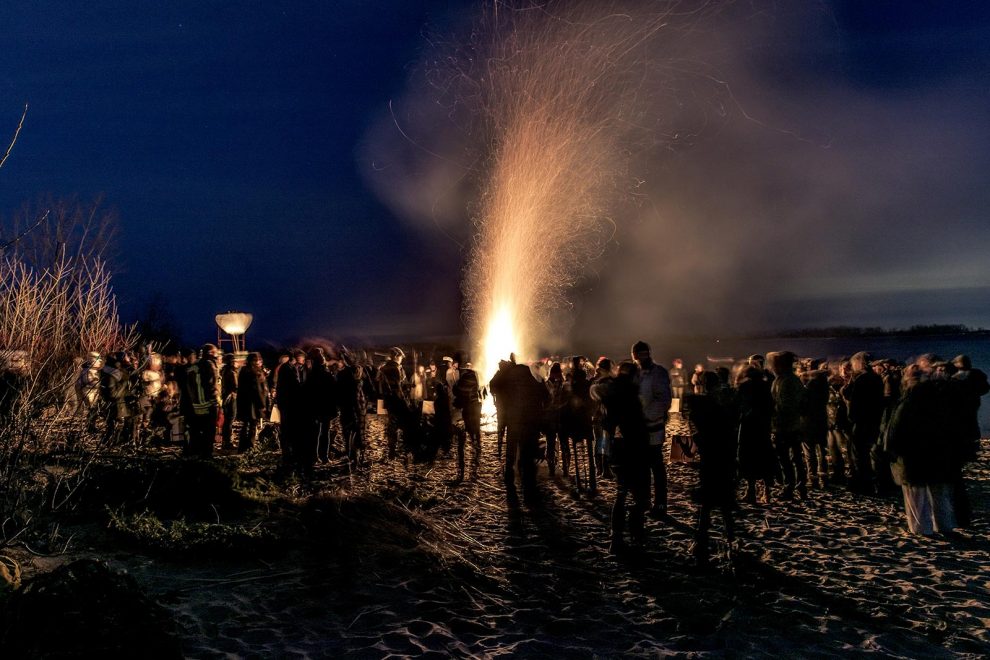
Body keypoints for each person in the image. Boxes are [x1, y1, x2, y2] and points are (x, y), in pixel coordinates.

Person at [884, 364, 957, 536]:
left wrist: (891, 451)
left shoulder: (908, 402)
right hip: (937, 454)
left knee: (916, 496)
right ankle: (944, 526)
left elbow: (895, 430)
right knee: (938, 493)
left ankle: (921, 529)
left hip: (913, 456)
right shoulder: (939, 398)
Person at [594, 360, 650, 554]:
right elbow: (638, 425)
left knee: (622, 493)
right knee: (638, 496)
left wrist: (605, 454)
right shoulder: (631, 395)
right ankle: (636, 536)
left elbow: (606, 427)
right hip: (634, 448)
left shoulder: (611, 394)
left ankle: (616, 537)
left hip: (618, 449)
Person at [683, 371, 737, 566]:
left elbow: (696, 434)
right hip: (726, 456)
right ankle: (732, 542)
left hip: (710, 457)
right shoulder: (728, 402)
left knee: (706, 504)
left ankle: (701, 541)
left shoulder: (699, 406)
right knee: (725, 504)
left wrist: (686, 453)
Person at [501, 355, 548, 507]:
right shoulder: (534, 383)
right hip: (530, 425)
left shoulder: (511, 387)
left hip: (515, 423)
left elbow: (495, 385)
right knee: (527, 455)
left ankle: (511, 476)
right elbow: (546, 397)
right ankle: (528, 487)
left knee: (513, 449)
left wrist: (504, 370)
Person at [631, 341, 672, 517]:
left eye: (645, 353)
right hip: (637, 430)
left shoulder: (659, 373)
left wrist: (646, 415)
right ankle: (644, 500)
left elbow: (663, 400)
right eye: (639, 354)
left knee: (656, 466)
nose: (643, 356)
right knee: (641, 467)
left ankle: (661, 503)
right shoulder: (633, 373)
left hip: (653, 427)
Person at [950, 354, 989, 526]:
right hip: (970, 424)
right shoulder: (976, 379)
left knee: (955, 476)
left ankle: (961, 516)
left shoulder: (960, 382)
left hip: (960, 428)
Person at [842, 351, 885, 495]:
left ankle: (863, 484)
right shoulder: (877, 378)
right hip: (873, 420)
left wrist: (851, 380)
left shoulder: (862, 379)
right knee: (867, 453)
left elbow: (850, 397)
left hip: (861, 421)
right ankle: (872, 482)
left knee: (859, 455)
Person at [769, 351, 807, 501]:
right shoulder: (786, 380)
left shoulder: (787, 382)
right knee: (795, 458)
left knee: (787, 459)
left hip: (785, 426)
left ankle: (790, 487)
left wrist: (772, 410)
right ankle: (799, 485)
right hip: (792, 425)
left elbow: (785, 405)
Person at [735, 365, 775, 504]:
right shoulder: (766, 386)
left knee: (748, 458)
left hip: (748, 426)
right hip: (763, 427)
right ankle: (767, 492)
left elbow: (738, 406)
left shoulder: (744, 387)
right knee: (764, 457)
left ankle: (751, 491)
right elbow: (771, 406)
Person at [563, 355, 597, 493]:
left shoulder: (571, 386)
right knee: (589, 452)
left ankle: (579, 482)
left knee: (578, 455)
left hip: (575, 422)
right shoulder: (588, 386)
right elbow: (593, 402)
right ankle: (592, 482)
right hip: (586, 420)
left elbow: (566, 405)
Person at [182, 344, 221, 458]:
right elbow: (211, 383)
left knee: (196, 431)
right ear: (211, 353)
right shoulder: (209, 365)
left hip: (195, 405)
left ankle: (195, 454)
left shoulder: (194, 366)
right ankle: (206, 455)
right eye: (216, 353)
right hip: (208, 404)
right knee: (209, 432)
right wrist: (216, 400)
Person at [276, 349, 308, 472]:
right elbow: (294, 386)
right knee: (288, 430)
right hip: (288, 404)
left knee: (288, 430)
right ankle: (288, 456)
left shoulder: (287, 368)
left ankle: (288, 455)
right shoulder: (288, 369)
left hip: (286, 403)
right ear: (294, 358)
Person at [800, 359, 830, 488]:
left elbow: (802, 405)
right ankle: (823, 478)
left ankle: (812, 479)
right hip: (822, 422)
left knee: (809, 452)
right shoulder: (824, 389)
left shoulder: (808, 389)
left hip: (808, 423)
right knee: (822, 452)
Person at [306, 347, 339, 463]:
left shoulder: (310, 374)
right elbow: (334, 390)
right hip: (325, 407)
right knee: (324, 432)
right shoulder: (326, 374)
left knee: (315, 433)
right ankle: (324, 456)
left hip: (314, 407)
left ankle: (314, 456)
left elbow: (307, 391)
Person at [337, 348, 368, 467]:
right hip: (357, 406)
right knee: (358, 432)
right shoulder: (358, 371)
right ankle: (357, 456)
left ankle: (352, 455)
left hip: (348, 406)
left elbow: (339, 392)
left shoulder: (344, 374)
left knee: (348, 432)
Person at [453, 364, 483, 481]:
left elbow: (457, 390)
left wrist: (457, 386)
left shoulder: (467, 377)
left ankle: (468, 467)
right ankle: (476, 451)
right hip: (473, 408)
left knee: (468, 435)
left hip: (470, 409)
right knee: (474, 433)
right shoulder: (473, 375)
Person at [236, 352, 268, 452]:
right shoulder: (255, 372)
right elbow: (258, 390)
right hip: (253, 404)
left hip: (244, 402)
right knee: (253, 425)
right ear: (254, 361)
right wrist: (262, 404)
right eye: (258, 360)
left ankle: (242, 447)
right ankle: (250, 446)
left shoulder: (243, 370)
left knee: (245, 424)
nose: (260, 362)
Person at [542, 362, 568, 476]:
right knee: (563, 443)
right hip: (561, 417)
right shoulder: (564, 385)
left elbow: (543, 402)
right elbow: (567, 401)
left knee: (551, 444)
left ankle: (553, 467)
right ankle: (565, 468)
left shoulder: (546, 384)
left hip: (551, 418)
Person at [219, 353, 238, 450]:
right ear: (231, 361)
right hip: (231, 398)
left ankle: (224, 441)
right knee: (230, 420)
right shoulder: (231, 372)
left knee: (227, 421)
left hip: (225, 398)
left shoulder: (224, 371)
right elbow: (235, 386)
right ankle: (228, 442)